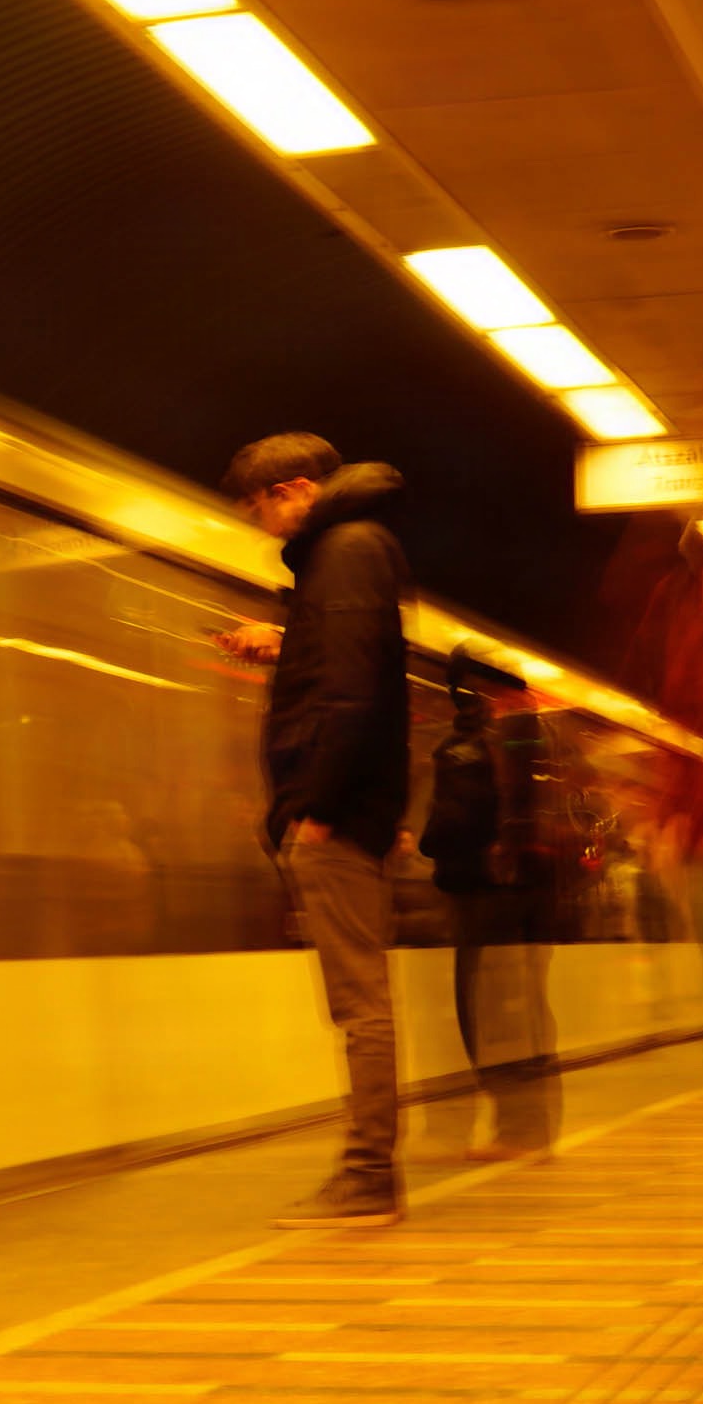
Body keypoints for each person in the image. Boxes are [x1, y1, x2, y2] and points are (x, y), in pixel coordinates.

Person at [213, 433, 413, 1228]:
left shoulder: (346, 550)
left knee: (358, 1002)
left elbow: (353, 691)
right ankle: (367, 1170)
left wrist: (319, 811)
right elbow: (344, 664)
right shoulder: (348, 553)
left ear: (293, 489)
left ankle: (368, 1176)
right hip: (344, 808)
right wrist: (284, 642)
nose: (262, 527)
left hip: (334, 813)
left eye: (258, 509)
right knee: (358, 999)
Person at [421, 652, 559, 1157]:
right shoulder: (523, 731)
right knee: (514, 1010)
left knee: (493, 1011)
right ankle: (526, 1126)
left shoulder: (480, 741)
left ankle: (520, 1129)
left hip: (489, 889)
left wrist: (428, 842)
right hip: (512, 890)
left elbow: (464, 815)